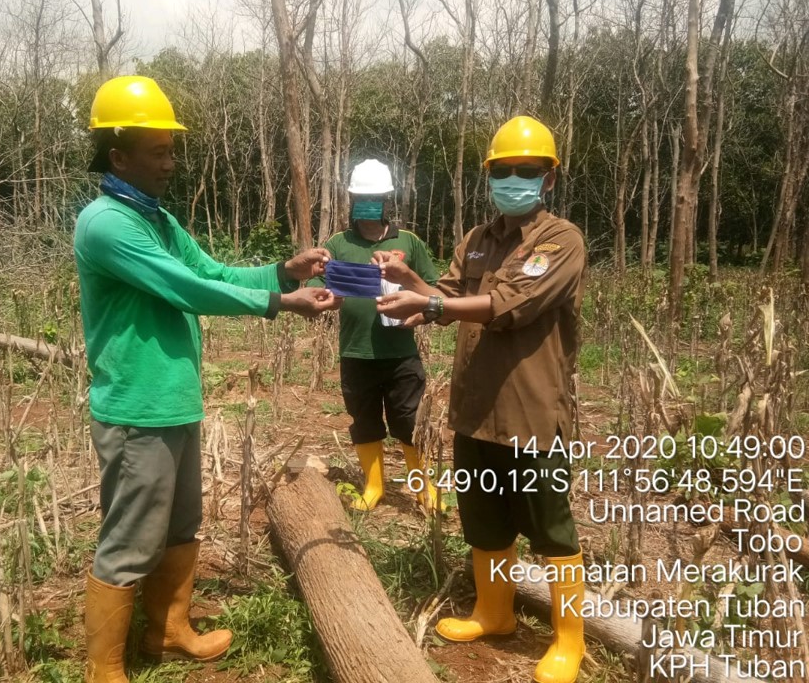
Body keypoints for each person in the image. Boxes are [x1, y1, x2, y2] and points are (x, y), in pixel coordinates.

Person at [74, 75, 337, 683]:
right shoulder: (106, 224)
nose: (170, 162)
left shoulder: (156, 218)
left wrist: (280, 270)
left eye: (172, 149)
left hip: (173, 399)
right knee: (131, 538)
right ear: (118, 156)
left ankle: (167, 633)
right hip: (137, 407)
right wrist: (280, 302)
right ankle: (102, 668)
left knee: (180, 524)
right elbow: (186, 288)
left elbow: (211, 269)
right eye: (158, 151)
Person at [374, 116, 587, 683]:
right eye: (503, 170)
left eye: (527, 171)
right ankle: (494, 612)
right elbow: (442, 295)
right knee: (483, 520)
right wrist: (406, 279)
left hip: (531, 412)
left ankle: (569, 639)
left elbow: (511, 303)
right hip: (474, 410)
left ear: (548, 178)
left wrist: (435, 307)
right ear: (489, 175)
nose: (514, 179)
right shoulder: (476, 240)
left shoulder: (559, 240)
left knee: (551, 529)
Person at [312, 159, 441, 512]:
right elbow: (314, 283)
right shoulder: (338, 243)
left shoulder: (409, 242)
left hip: (401, 353)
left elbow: (435, 292)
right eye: (360, 196)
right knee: (364, 420)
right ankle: (373, 488)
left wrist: (422, 309)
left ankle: (423, 488)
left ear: (388, 199)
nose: (368, 203)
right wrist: (323, 298)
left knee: (408, 421)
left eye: (376, 197)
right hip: (356, 352)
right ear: (351, 199)